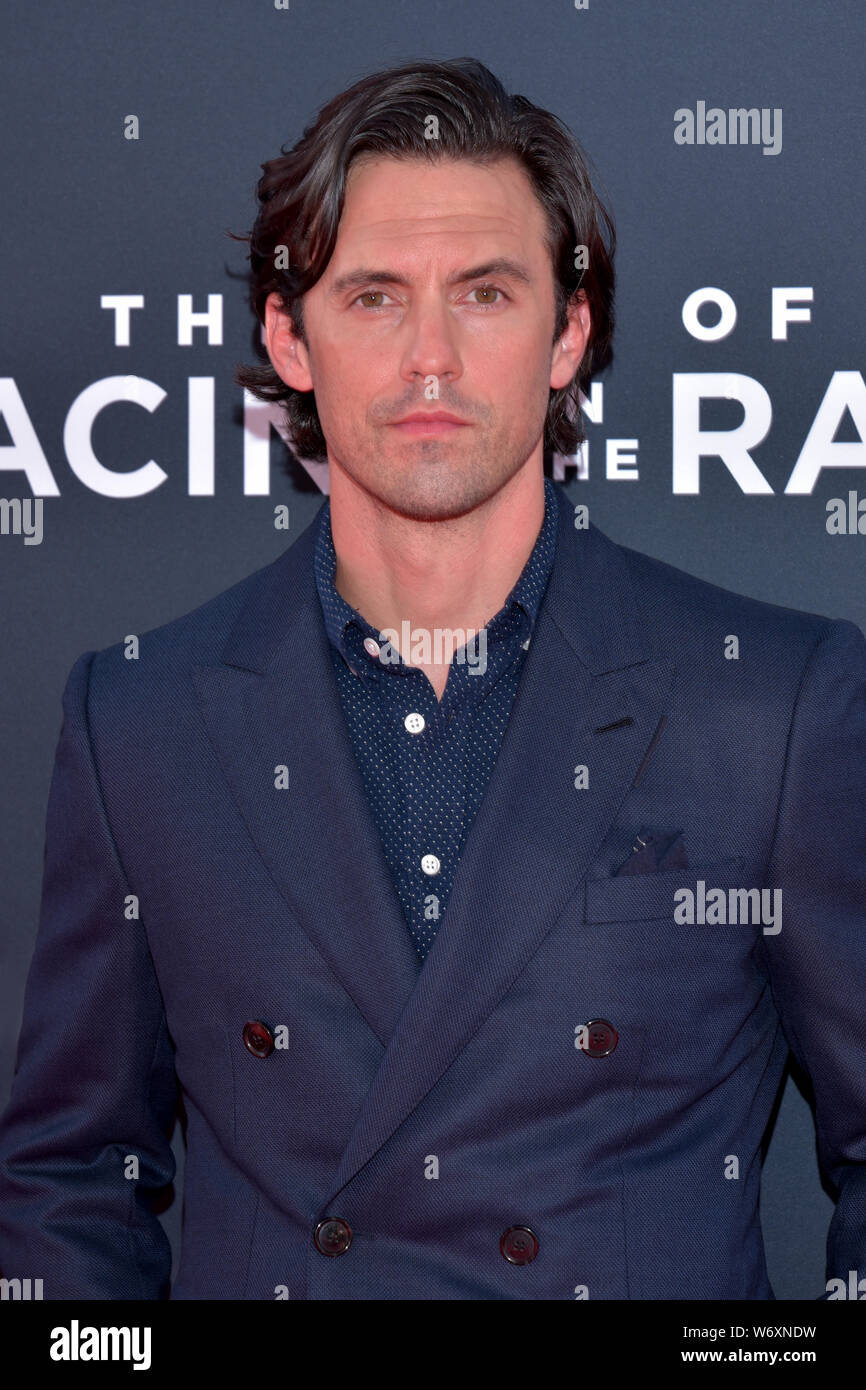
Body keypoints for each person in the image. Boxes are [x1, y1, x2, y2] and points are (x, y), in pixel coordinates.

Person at [1, 57, 864, 1301]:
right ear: (288, 338)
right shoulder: (137, 718)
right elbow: (72, 1176)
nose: (429, 359)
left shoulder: (771, 703)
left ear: (565, 333)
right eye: (371, 298)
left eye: (484, 292)